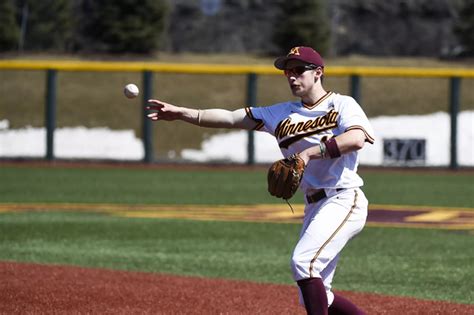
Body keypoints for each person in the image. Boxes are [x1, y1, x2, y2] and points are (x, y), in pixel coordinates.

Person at [146, 46, 374, 315]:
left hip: (344, 197)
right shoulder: (280, 113)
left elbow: (356, 139)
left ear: (318, 73)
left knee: (303, 263)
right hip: (314, 205)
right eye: (288, 71)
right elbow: (231, 118)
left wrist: (309, 153)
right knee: (315, 293)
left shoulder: (342, 104)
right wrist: (183, 113)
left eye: (299, 70)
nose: (292, 76)